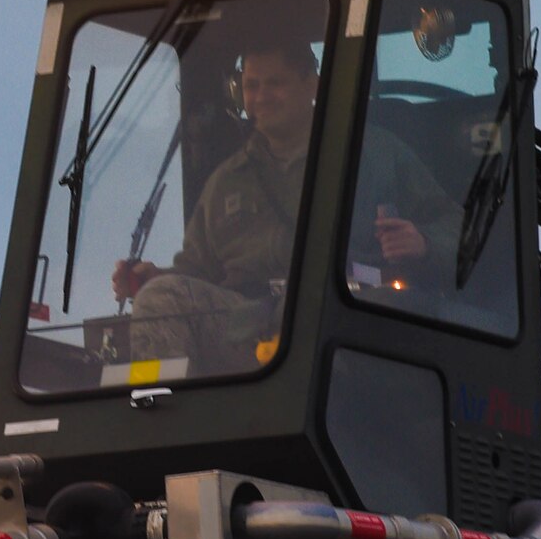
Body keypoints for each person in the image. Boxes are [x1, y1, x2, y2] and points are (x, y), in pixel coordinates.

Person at [110, 38, 455, 369]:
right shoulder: (227, 180)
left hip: (342, 319)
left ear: (313, 85)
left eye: (275, 83)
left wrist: (423, 242)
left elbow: (458, 228)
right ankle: (169, 421)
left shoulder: (374, 154)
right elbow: (197, 272)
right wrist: (153, 279)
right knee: (160, 301)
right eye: (252, 85)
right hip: (247, 326)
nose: (261, 97)